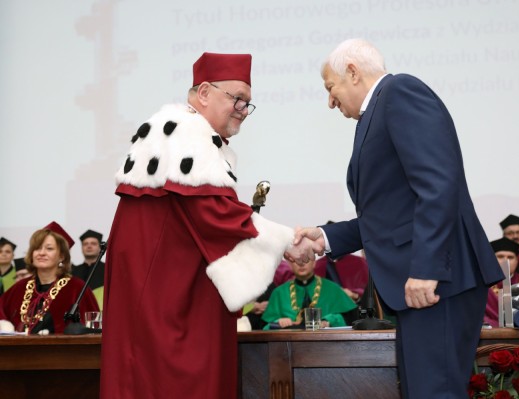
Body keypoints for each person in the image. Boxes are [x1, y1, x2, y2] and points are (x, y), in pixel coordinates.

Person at [288, 38, 504, 398]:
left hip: (438, 282)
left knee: (434, 392)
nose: (330, 101)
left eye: (331, 88)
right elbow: (390, 214)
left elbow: (438, 185)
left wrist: (426, 269)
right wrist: (324, 238)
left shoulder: (400, 92)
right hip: (425, 284)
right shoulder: (376, 113)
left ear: (353, 72)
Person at [100, 52, 297, 399]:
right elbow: (216, 215)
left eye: (247, 104)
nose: (242, 109)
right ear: (204, 92)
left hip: (163, 298)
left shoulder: (177, 136)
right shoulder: (184, 134)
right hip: (169, 311)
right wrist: (288, 241)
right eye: (236, 98)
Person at [0, 222, 99, 334]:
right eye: (37, 248)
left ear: (61, 256)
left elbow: (93, 330)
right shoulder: (19, 287)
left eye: (49, 248)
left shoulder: (77, 288)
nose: (41, 253)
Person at [262, 257, 357, 329]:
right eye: (296, 260)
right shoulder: (279, 293)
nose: (301, 264)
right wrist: (278, 321)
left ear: (314, 263)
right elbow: (265, 326)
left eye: (306, 259)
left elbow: (350, 318)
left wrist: (329, 320)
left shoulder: (332, 288)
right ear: (290, 265)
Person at [484, 237, 519, 327]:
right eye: (500, 256)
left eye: (510, 257)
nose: (505, 260)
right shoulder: (482, 285)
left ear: (517, 261)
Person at [71, 229, 105, 308]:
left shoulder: (108, 270)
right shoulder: (72, 271)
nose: (89, 246)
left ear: (100, 247)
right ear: (82, 248)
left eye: (93, 243)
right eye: (85, 244)